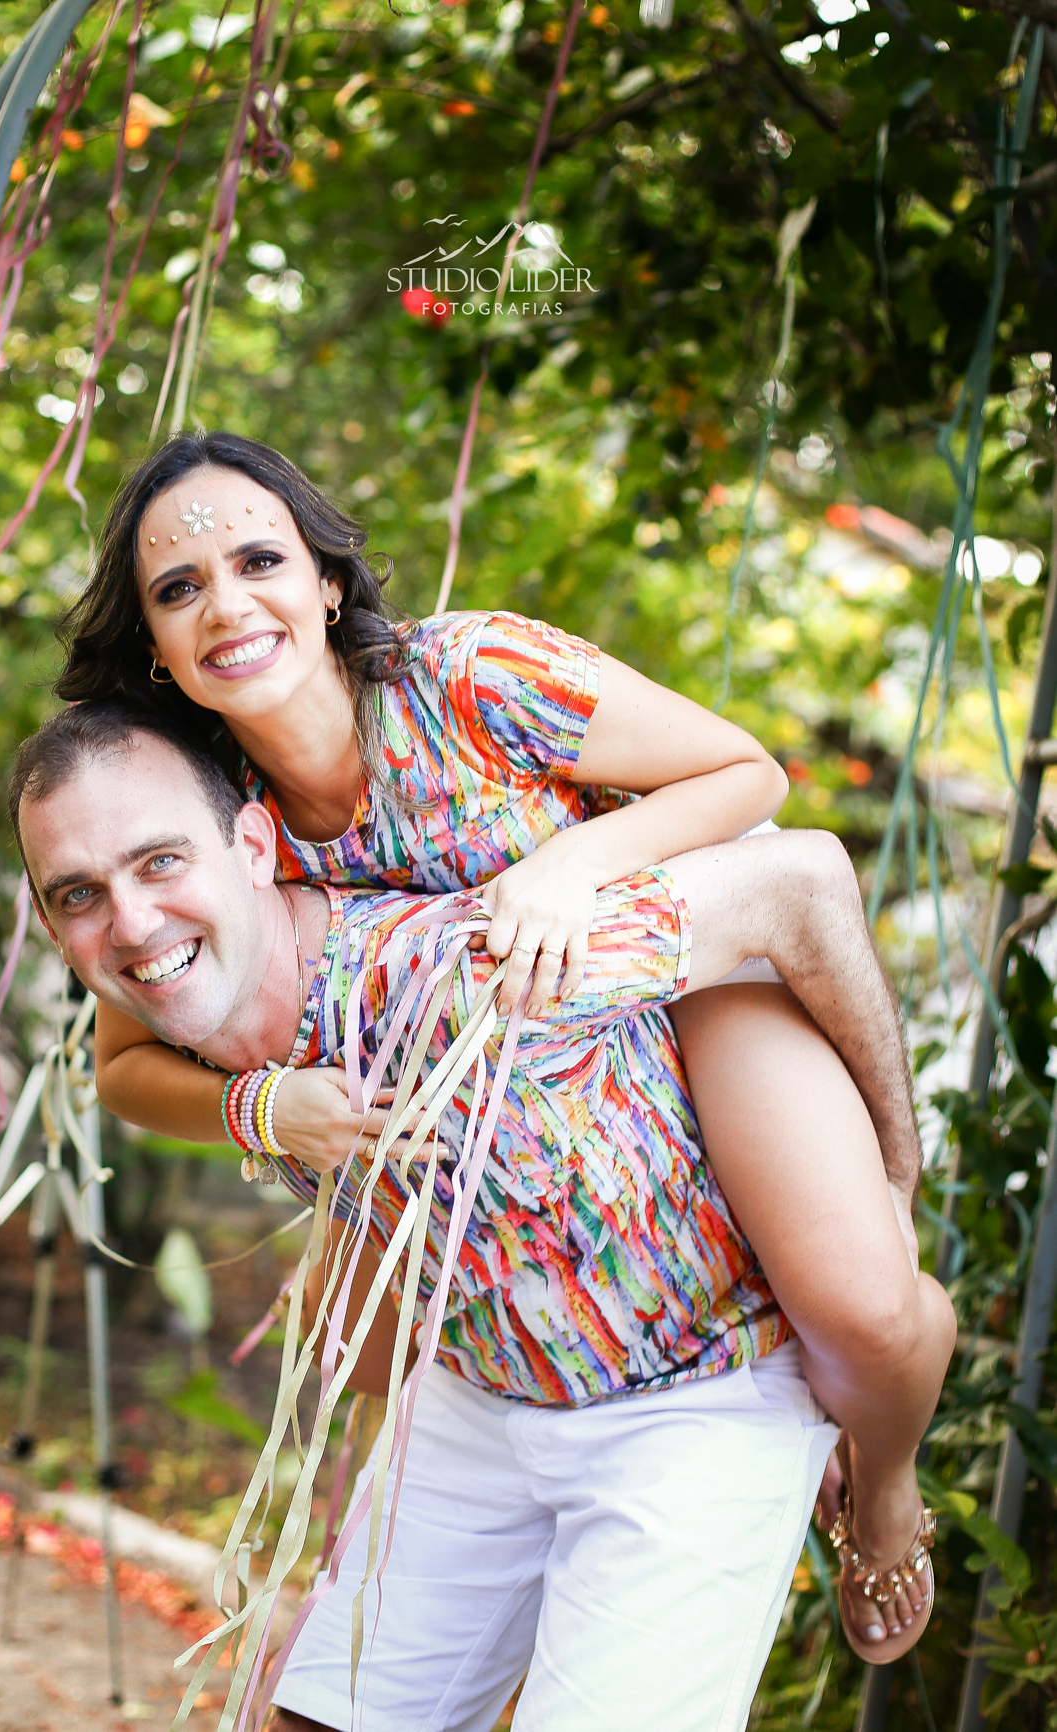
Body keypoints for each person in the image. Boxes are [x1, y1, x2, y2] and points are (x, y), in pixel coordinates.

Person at [54, 433, 942, 1663]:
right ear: (154, 642)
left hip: (667, 981)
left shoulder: (469, 672)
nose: (226, 603)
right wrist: (268, 1108)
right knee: (365, 1363)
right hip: (483, 1120)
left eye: (258, 557)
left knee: (864, 1304)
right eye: (178, 587)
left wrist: (572, 862)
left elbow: (748, 774)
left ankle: (885, 1477)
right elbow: (124, 1064)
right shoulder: (190, 802)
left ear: (324, 581)